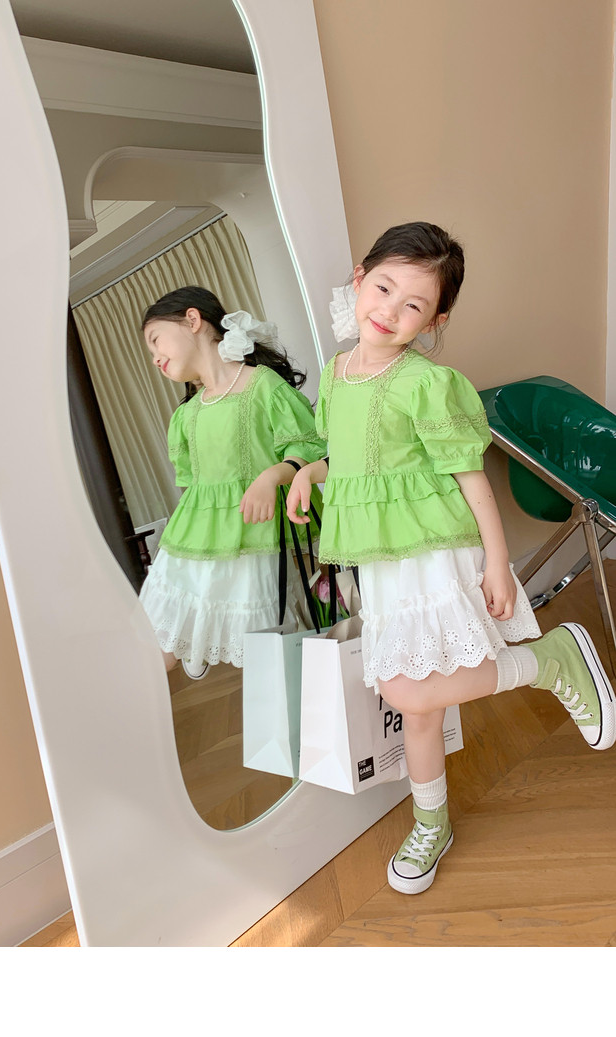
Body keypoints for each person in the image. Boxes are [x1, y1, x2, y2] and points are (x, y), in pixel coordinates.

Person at [287, 221, 615, 894]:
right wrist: (308, 473)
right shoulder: (337, 375)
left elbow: (471, 476)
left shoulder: (427, 383)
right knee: (419, 709)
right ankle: (430, 823)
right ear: (359, 279)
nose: (389, 310)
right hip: (380, 561)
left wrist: (497, 560)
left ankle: (550, 660)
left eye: (413, 304)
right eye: (383, 288)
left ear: (434, 320)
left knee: (404, 687)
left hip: (433, 551)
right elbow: (348, 459)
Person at [139, 286, 327, 680]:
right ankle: (195, 639)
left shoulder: (263, 385)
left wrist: (272, 475)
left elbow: (308, 446)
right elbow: (191, 485)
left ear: (193, 320)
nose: (154, 357)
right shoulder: (186, 416)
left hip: (255, 537)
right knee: (152, 647)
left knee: (266, 659)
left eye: (156, 340)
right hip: (192, 541)